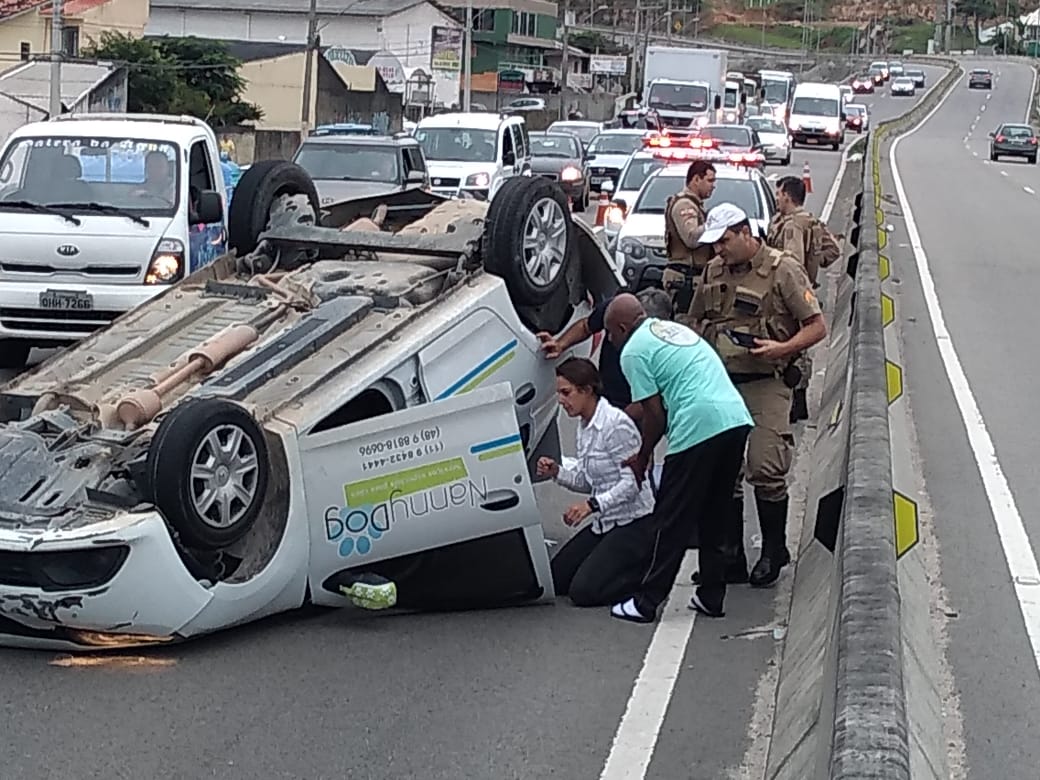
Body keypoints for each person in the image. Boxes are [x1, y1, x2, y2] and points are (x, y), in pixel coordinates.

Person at [687, 203, 827, 589]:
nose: (720, 251)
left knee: (765, 466)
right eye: (715, 244)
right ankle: (730, 555)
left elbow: (816, 327)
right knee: (722, 472)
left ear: (746, 233)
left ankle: (773, 550)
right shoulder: (713, 271)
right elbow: (695, 321)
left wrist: (781, 350)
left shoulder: (782, 269)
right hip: (721, 383)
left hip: (767, 380)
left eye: (726, 241)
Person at [602, 294, 753, 622]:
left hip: (697, 427)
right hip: (735, 419)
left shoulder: (633, 351)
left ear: (623, 327)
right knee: (715, 513)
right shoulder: (671, 330)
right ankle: (712, 595)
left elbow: (653, 414)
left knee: (670, 518)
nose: (610, 341)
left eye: (610, 334)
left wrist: (643, 456)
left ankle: (645, 601)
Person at [536, 358, 656, 607]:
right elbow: (587, 478)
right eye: (559, 393)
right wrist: (557, 472)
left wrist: (591, 505)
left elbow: (634, 481)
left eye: (566, 393)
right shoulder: (585, 425)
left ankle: (647, 574)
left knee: (584, 593)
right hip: (606, 521)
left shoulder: (616, 425)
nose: (561, 400)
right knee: (557, 579)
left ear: (587, 390)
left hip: (634, 522)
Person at [767, 176, 843, 422]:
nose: (777, 198)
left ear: (787, 196)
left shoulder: (791, 226)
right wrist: (815, 264)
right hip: (806, 290)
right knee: (801, 342)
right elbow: (833, 250)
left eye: (779, 194)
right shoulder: (811, 222)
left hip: (788, 292)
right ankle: (798, 397)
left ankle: (794, 398)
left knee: (790, 342)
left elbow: (791, 259)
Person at [536, 287, 674, 420]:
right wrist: (560, 344)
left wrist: (617, 421)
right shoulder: (616, 310)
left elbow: (649, 404)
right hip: (606, 392)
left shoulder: (663, 349)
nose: (609, 338)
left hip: (633, 406)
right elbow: (586, 327)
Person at [662, 161, 717, 323]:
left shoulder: (695, 205)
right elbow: (692, 238)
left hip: (692, 279)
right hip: (684, 279)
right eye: (710, 180)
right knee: (684, 326)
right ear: (696, 180)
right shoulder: (684, 205)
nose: (713, 186)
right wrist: (713, 224)